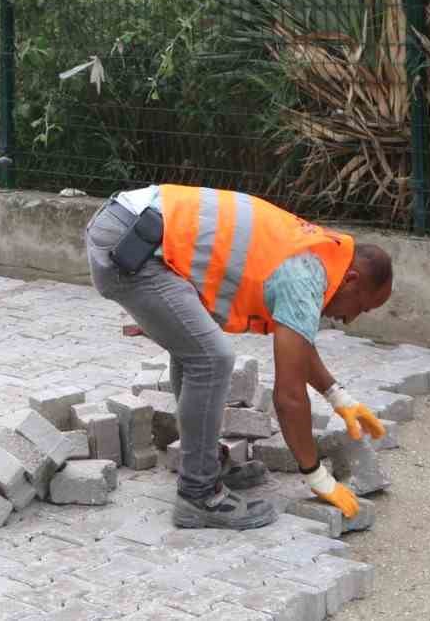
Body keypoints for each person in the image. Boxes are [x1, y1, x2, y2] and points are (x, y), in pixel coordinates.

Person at [85, 184, 393, 530]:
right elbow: (289, 398)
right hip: (133, 245)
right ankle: (197, 493)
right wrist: (317, 477)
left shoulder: (318, 256)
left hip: (135, 228)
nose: (351, 319)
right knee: (211, 359)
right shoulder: (306, 276)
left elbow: (298, 348)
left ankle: (202, 463)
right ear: (351, 280)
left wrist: (339, 396)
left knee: (196, 352)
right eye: (362, 307)